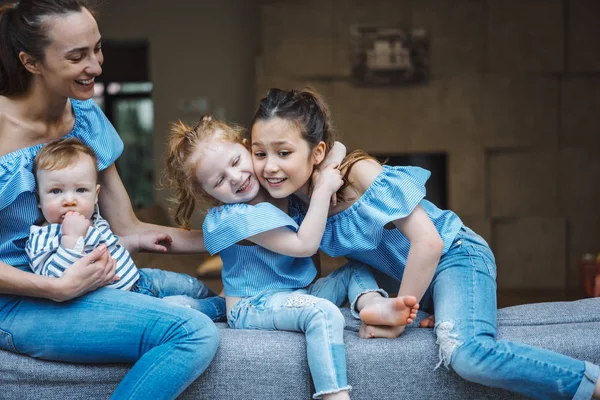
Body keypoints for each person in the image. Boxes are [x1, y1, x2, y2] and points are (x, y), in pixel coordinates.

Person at [249, 87, 600, 400]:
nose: (270, 167)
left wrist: (401, 317)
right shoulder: (295, 203)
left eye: (283, 152)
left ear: (317, 152)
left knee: (466, 353)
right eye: (259, 153)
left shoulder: (358, 174)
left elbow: (429, 242)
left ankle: (591, 383)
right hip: (401, 278)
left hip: (454, 255)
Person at [0, 1, 220, 398]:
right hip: (15, 302)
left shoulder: (85, 116)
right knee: (191, 332)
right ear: (31, 62)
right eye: (77, 56)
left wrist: (237, 236)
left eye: (97, 49)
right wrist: (55, 288)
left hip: (86, 283)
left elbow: (128, 229)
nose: (97, 66)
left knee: (206, 294)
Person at [162, 115, 419, 400]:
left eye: (236, 161)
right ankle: (332, 395)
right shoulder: (234, 217)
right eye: (219, 180)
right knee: (322, 313)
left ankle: (372, 304)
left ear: (249, 149)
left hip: (301, 290)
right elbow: (304, 245)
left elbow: (337, 148)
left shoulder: (279, 190)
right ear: (207, 193)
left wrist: (321, 171)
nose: (235, 178)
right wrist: (322, 190)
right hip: (254, 304)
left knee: (354, 269)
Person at [26, 137, 225, 319]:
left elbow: (111, 246)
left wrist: (137, 241)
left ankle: (225, 297)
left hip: (142, 278)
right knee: (182, 307)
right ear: (39, 200)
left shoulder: (94, 219)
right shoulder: (42, 238)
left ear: (95, 195)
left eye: (80, 190)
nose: (69, 200)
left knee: (191, 285)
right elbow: (53, 281)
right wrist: (71, 239)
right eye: (56, 191)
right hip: (127, 304)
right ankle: (224, 308)